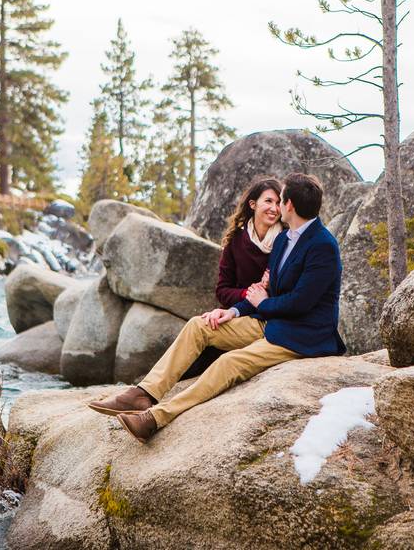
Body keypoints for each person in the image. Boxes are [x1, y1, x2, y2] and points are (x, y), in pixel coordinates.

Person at [87, 173, 346, 442]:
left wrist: (263, 302)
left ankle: (155, 418)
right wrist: (232, 311)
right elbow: (263, 293)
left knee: (230, 361)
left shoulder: (323, 245)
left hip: (302, 337)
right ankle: (144, 394)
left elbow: (300, 303)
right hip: (271, 321)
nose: (276, 205)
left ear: (288, 205)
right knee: (200, 326)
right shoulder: (283, 240)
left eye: (279, 200)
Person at [181, 177, 284, 378]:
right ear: (253, 204)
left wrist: (266, 291)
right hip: (239, 313)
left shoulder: (286, 240)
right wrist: (249, 293)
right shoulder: (236, 241)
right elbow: (222, 290)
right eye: (269, 201)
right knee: (197, 359)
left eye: (279, 203)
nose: (274, 208)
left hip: (270, 319)